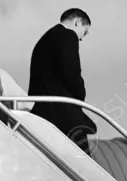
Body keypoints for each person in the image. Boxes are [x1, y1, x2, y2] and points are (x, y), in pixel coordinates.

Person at [28, 9, 96, 156]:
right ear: (78, 22)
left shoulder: (46, 38)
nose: (81, 39)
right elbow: (71, 73)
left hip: (42, 110)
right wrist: (81, 93)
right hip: (63, 114)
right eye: (84, 32)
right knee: (82, 162)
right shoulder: (68, 36)